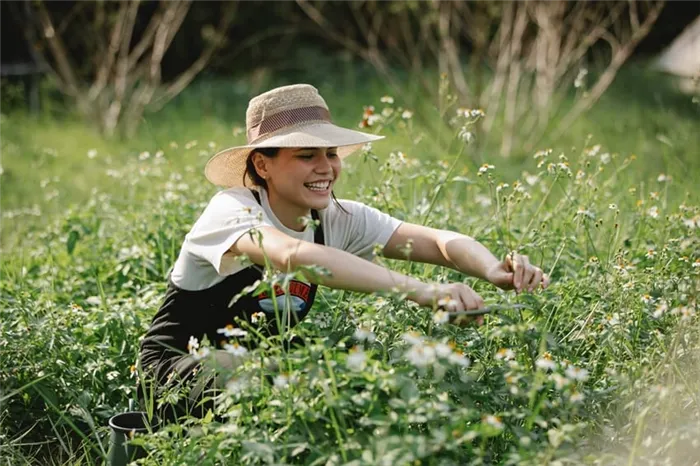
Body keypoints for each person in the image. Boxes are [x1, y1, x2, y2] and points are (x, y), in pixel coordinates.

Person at [137, 84, 549, 422]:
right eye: (306, 156)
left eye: (331, 154)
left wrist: (493, 268)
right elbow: (292, 256)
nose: (326, 168)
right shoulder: (233, 209)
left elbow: (439, 241)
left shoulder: (333, 217)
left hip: (263, 374)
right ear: (263, 166)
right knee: (250, 375)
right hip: (173, 372)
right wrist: (423, 291)